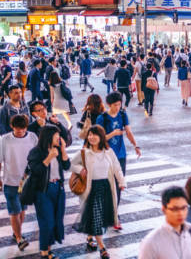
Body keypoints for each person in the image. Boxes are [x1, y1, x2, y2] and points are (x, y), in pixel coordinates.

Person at [72, 125, 127, 258]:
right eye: (89, 135)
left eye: (94, 134)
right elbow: (71, 164)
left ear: (101, 137)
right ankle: (102, 248)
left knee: (99, 216)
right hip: (91, 189)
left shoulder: (109, 152)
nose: (91, 137)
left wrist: (121, 182)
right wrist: (80, 170)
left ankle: (90, 237)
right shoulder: (84, 153)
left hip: (106, 188)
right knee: (96, 217)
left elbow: (117, 168)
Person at [0, 114, 36, 251]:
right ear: (12, 126)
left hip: (27, 181)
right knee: (14, 211)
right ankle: (19, 238)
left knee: (22, 210)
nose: (20, 131)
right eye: (18, 128)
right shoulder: (5, 140)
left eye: (23, 128)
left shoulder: (32, 137)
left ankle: (16, 232)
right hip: (10, 181)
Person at [29, 124, 69, 258]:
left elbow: (67, 166)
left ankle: (49, 249)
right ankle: (44, 251)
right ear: (49, 136)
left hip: (58, 188)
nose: (59, 137)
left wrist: (63, 150)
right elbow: (36, 171)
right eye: (57, 135)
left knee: (56, 220)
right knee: (47, 221)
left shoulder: (58, 150)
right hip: (43, 191)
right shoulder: (36, 152)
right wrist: (49, 157)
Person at [138, 186, 191, 259]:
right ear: (164, 209)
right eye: (175, 209)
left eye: (183, 208)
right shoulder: (151, 242)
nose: (180, 213)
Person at [95, 92, 141, 178]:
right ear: (109, 105)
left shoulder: (122, 115)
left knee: (120, 180)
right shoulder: (102, 118)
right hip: (106, 155)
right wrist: (113, 133)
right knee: (110, 182)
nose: (117, 107)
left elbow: (129, 132)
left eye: (119, 104)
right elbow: (98, 139)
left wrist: (136, 145)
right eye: (115, 105)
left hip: (121, 154)